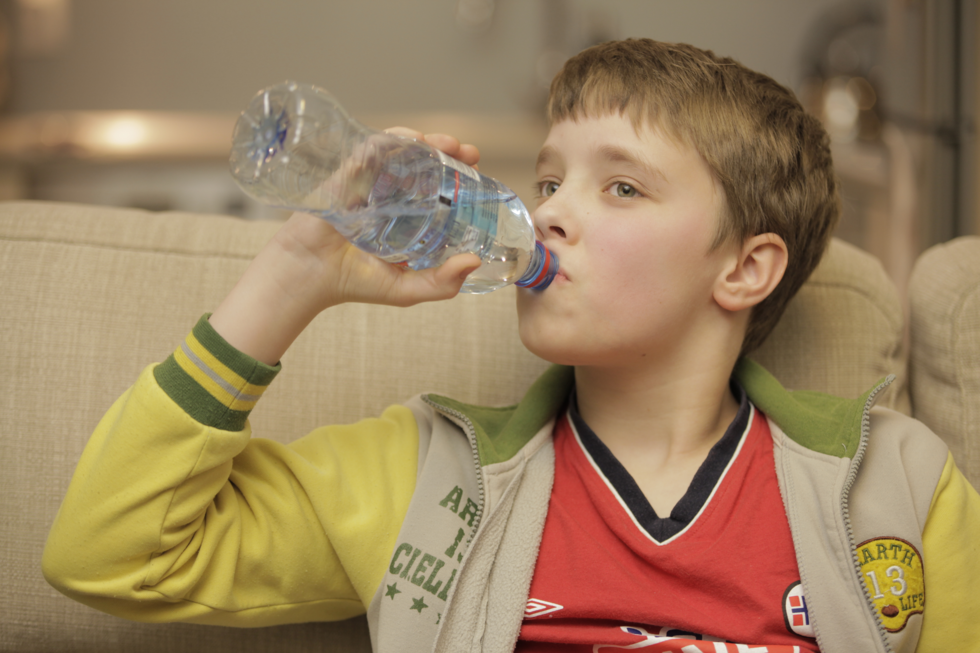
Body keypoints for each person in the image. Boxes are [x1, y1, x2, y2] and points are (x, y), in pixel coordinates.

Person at [42, 39, 979, 653]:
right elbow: (110, 553)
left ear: (743, 268)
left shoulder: (894, 480)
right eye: (550, 178)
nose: (554, 210)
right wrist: (293, 272)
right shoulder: (423, 480)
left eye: (622, 189)